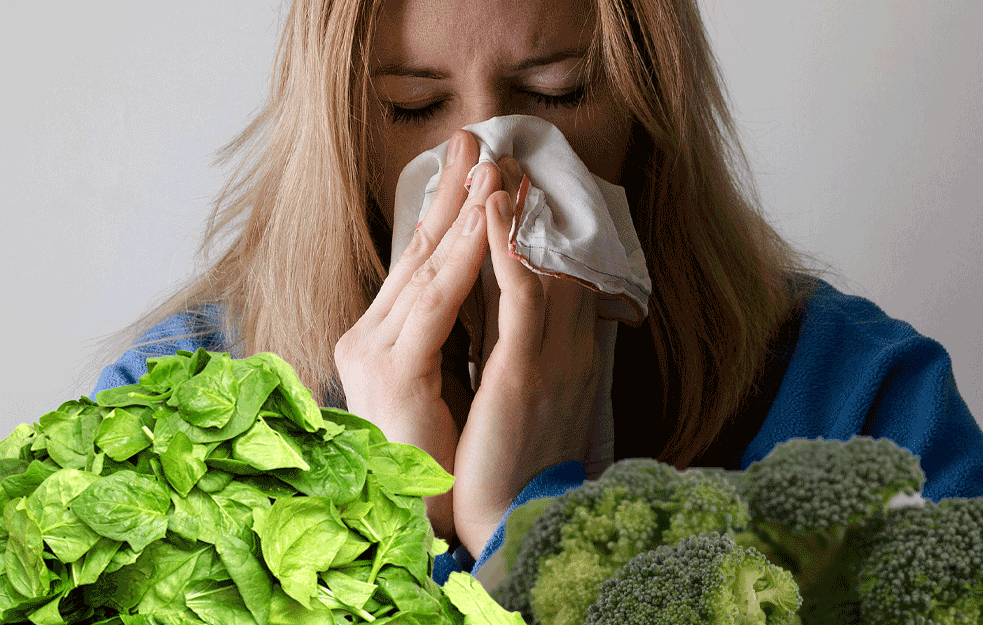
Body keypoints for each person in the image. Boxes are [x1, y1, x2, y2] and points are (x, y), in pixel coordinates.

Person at [92, 0, 983, 582]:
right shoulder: (176, 412)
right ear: (338, 131)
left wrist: (533, 520)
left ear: (648, 101)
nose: (486, 169)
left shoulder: (865, 402)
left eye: (556, 93)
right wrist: (394, 517)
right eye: (410, 105)